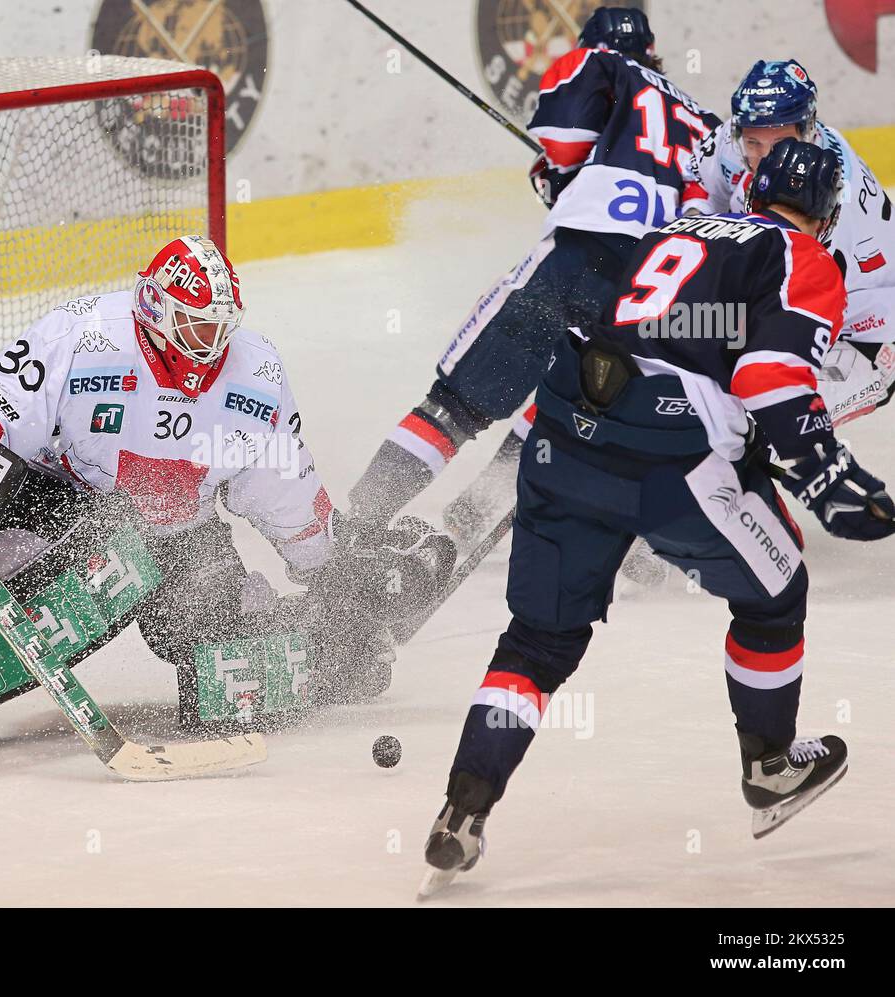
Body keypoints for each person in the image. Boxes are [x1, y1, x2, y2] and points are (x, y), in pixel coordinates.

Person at [419, 139, 895, 895]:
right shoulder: (805, 258)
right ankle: (771, 769)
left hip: (565, 429)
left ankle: (463, 806)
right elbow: (768, 376)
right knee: (777, 594)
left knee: (538, 640)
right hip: (672, 455)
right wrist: (829, 475)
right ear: (828, 215)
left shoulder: (682, 229)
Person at [0, 235, 455, 762]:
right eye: (195, 325)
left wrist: (335, 570)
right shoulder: (84, 336)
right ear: (155, 310)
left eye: (219, 328)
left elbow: (283, 489)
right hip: (53, 511)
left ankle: (335, 651)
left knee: (221, 676)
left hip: (178, 535)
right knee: (93, 577)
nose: (210, 343)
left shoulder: (255, 375)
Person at [348, 7, 720, 546]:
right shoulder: (708, 125)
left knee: (457, 404)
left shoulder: (604, 64)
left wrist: (559, 172)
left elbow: (564, 137)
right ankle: (484, 507)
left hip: (578, 259)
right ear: (654, 50)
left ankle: (358, 523)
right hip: (656, 289)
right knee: (571, 399)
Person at [686, 58, 895, 428]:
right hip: (817, 302)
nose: (765, 156)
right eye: (753, 141)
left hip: (869, 337)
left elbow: (788, 310)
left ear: (808, 130)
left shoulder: (824, 202)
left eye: (780, 142)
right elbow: (698, 188)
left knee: (757, 422)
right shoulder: (737, 139)